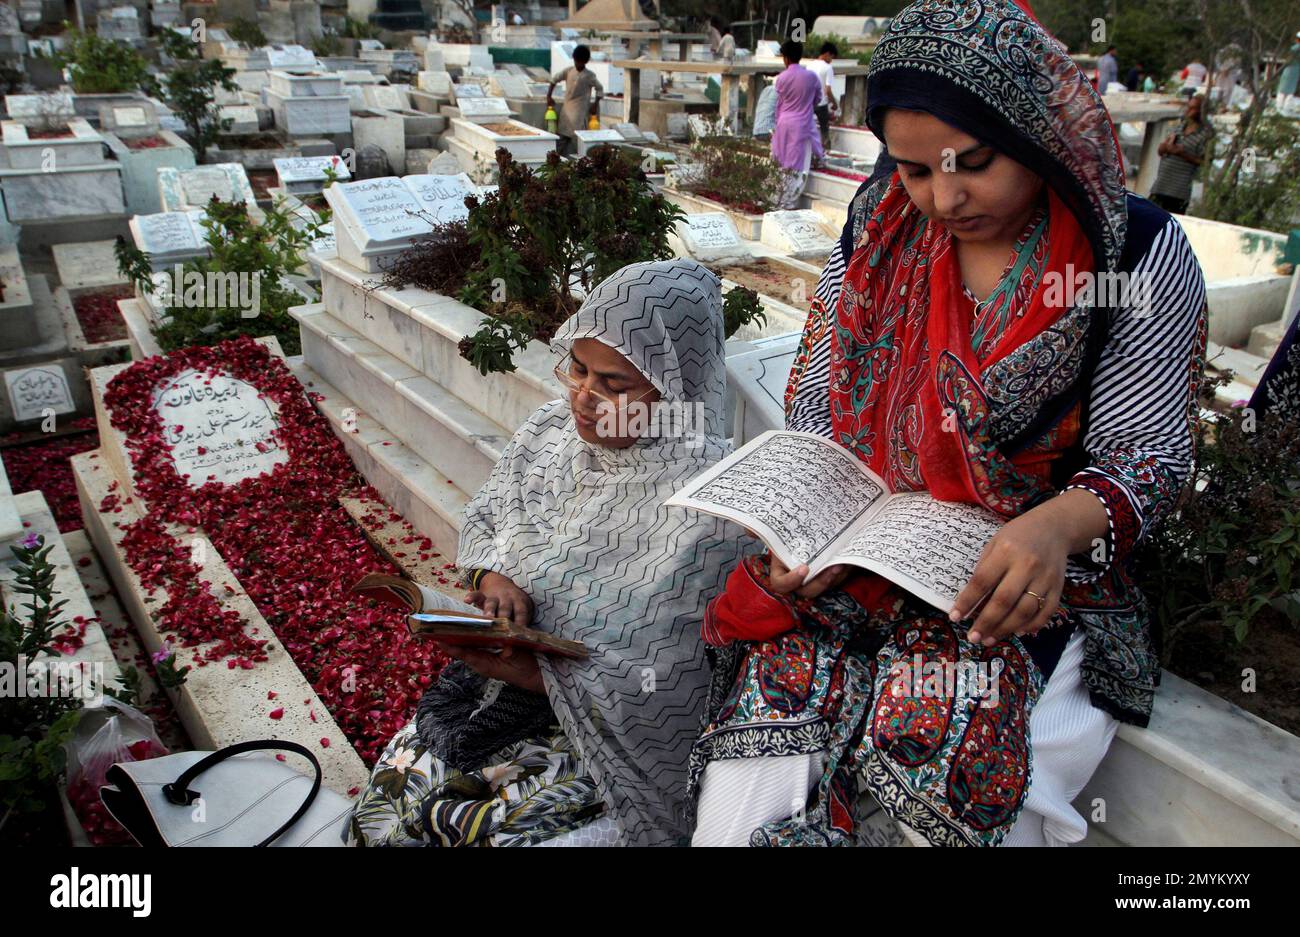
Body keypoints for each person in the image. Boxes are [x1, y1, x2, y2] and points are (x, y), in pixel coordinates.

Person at [690, 0, 1207, 847]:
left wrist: (1051, 528)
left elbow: (1146, 455)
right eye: (915, 169)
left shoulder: (1128, 254)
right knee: (766, 738)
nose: (945, 196)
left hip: (1024, 582)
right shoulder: (880, 223)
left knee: (947, 750)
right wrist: (803, 531)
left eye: (974, 163)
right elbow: (821, 394)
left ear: (1037, 133)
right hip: (861, 559)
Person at [349, 259, 745, 847]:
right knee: (383, 817)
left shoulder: (713, 501)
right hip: (494, 696)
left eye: (615, 384)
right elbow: (494, 515)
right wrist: (493, 575)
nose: (584, 397)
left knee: (475, 834)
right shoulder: (548, 432)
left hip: (604, 746)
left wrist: (541, 677)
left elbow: (678, 681)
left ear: (674, 384)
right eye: (578, 370)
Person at [770, 39, 824, 209]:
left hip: (783, 123)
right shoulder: (811, 77)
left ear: (785, 58)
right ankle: (790, 200)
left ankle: (778, 198)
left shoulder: (781, 78)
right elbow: (818, 98)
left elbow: (780, 101)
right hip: (803, 124)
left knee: (780, 160)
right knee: (798, 163)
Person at [1149, 94, 1213, 215]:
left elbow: (1205, 162)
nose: (1189, 111)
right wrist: (1163, 147)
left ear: (1202, 111)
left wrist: (1182, 153)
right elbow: (1162, 151)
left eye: (1193, 108)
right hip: (1161, 185)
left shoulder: (1206, 134)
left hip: (1179, 191)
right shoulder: (1180, 126)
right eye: (1188, 107)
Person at [547, 44, 603, 156]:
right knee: (560, 142)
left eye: (581, 61)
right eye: (577, 61)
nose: (578, 64)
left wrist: (595, 104)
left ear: (585, 61)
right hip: (566, 111)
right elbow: (554, 80)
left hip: (580, 113)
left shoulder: (589, 75)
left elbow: (600, 88)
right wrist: (549, 96)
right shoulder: (568, 71)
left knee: (578, 143)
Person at [805, 41, 840, 152]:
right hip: (821, 104)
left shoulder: (809, 65)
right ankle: (825, 153)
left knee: (807, 129)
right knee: (824, 130)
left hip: (809, 102)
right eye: (832, 57)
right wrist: (834, 104)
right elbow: (828, 90)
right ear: (828, 53)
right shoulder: (827, 68)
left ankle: (809, 151)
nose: (831, 60)